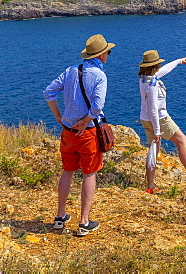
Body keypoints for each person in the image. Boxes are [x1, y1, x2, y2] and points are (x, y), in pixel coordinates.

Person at [42, 33, 115, 236]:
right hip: (88, 133)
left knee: (67, 171)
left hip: (67, 131)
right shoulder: (100, 76)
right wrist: (84, 122)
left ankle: (60, 217)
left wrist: (59, 116)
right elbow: (98, 106)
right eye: (108, 52)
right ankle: (84, 222)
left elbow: (48, 92)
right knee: (89, 173)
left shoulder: (71, 70)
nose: (108, 55)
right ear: (101, 55)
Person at [138, 49, 186, 192]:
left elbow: (164, 71)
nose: (159, 67)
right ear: (153, 67)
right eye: (158, 64)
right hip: (159, 119)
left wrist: (178, 61)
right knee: (182, 140)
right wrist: (158, 130)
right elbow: (153, 108)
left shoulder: (144, 79)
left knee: (153, 151)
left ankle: (150, 186)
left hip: (145, 119)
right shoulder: (152, 84)